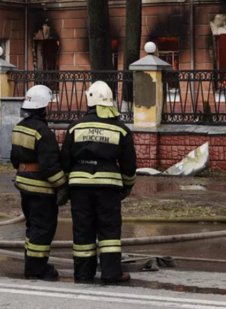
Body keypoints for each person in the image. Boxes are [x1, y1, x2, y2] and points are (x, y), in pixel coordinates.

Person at [60, 81, 137, 284]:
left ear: (90, 100)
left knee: (83, 228)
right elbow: (129, 165)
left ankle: (83, 274)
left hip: (79, 188)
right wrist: (127, 187)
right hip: (108, 188)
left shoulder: (75, 127)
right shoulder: (121, 129)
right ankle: (111, 273)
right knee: (109, 231)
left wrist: (65, 186)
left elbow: (65, 161)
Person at [10, 85, 68, 281]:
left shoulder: (19, 127)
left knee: (32, 227)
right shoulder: (43, 131)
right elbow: (49, 165)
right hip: (41, 189)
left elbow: (14, 160)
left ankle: (32, 264)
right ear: (44, 108)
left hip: (24, 186)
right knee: (43, 229)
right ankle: (37, 269)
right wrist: (62, 186)